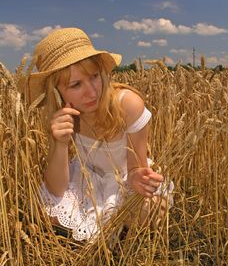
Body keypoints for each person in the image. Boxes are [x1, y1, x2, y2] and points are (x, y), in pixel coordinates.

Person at [26, 27, 173, 241]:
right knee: (42, 209)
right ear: (56, 92)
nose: (92, 92)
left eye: (94, 77)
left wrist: (138, 178)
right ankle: (113, 229)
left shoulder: (128, 105)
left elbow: (135, 168)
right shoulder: (63, 117)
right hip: (88, 182)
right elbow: (56, 189)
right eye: (76, 84)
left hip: (124, 182)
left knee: (149, 211)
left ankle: (109, 228)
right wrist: (59, 142)